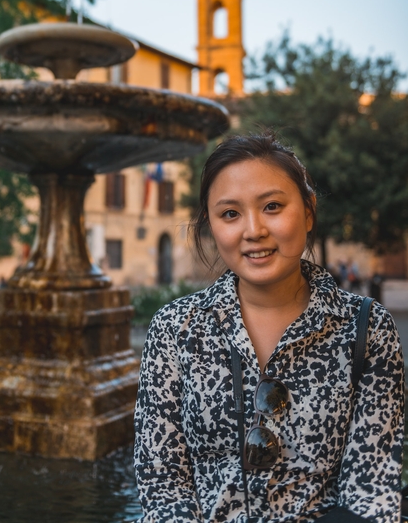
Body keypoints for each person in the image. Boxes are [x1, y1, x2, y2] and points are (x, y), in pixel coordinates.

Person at [134, 133, 404, 522]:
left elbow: (372, 491)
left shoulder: (367, 329)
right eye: (230, 214)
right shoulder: (176, 328)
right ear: (210, 224)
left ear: (308, 211)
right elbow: (162, 484)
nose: (254, 230)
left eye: (273, 206)